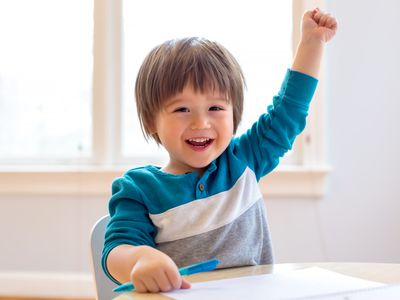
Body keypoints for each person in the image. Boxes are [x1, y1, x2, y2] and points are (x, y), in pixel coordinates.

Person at [102, 8, 337, 293]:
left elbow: (289, 110)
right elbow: (117, 251)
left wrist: (311, 44)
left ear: (234, 114)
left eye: (215, 108)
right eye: (182, 109)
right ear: (152, 120)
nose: (201, 122)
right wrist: (140, 258)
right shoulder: (138, 189)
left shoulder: (244, 160)